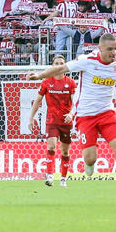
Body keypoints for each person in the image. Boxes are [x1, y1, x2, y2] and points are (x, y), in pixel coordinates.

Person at [27, 33, 116, 206]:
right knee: (90, 159)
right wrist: (40, 75)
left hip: (107, 113)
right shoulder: (87, 60)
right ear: (100, 49)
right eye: (110, 49)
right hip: (85, 115)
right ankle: (89, 166)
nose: (114, 52)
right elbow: (61, 69)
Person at [26, 55, 76, 187]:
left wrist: (71, 113)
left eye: (61, 63)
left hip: (66, 122)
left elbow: (75, 102)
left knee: (65, 151)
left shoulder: (70, 83)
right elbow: (38, 100)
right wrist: (31, 118)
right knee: (51, 146)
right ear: (52, 66)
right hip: (52, 121)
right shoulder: (47, 82)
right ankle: (49, 176)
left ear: (65, 66)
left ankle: (63, 179)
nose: (59, 66)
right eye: (56, 63)